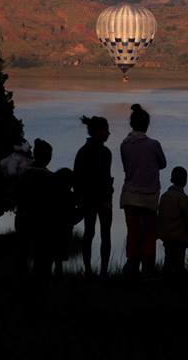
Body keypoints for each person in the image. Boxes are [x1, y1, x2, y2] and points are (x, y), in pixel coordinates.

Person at [119, 103, 166, 276]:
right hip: (148, 197)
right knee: (149, 233)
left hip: (130, 196)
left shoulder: (124, 145)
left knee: (133, 232)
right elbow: (163, 163)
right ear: (147, 125)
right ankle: (148, 268)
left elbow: (126, 167)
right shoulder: (153, 145)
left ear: (132, 124)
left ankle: (131, 265)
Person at [74, 116, 114, 277]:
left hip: (89, 200)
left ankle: (89, 270)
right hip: (100, 200)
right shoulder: (104, 153)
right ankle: (102, 271)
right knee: (104, 234)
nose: (109, 133)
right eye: (106, 130)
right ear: (98, 131)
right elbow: (104, 178)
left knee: (89, 233)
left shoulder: (83, 152)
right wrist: (107, 198)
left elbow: (77, 178)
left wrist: (80, 198)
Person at [15, 139, 56, 278]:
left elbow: (19, 197)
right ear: (48, 157)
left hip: (23, 220)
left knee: (22, 255)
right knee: (42, 259)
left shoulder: (24, 174)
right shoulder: (50, 177)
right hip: (41, 224)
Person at [158, 166, 188, 275]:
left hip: (166, 236)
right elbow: (187, 219)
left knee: (168, 262)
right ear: (185, 180)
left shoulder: (164, 196)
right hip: (179, 237)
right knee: (179, 265)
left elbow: (160, 216)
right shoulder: (184, 199)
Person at [52, 167, 81, 277]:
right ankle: (57, 277)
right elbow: (78, 213)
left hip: (55, 229)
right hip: (64, 230)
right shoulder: (71, 196)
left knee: (54, 256)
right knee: (58, 256)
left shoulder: (52, 195)